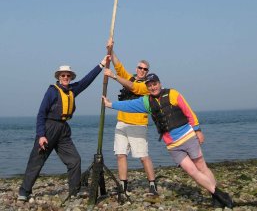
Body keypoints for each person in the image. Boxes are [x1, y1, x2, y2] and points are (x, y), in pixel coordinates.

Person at [103, 72, 234, 209]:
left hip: (188, 137)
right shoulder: (146, 102)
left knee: (201, 167)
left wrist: (198, 130)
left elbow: (189, 112)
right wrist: (110, 104)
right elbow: (129, 105)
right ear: (147, 88)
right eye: (150, 85)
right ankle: (220, 194)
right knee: (192, 172)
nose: (153, 87)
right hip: (172, 145)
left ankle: (215, 197)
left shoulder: (173, 94)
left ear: (159, 83)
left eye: (155, 84)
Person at [18, 55, 110, 202]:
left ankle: (74, 191)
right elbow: (41, 114)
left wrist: (102, 64)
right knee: (37, 160)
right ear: (59, 77)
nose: (66, 77)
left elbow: (87, 80)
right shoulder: (52, 92)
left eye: (68, 75)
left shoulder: (73, 89)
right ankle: (24, 191)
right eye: (63, 75)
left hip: (63, 130)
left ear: (71, 77)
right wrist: (41, 135)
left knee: (75, 160)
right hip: (49, 128)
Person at [106, 38, 157, 196]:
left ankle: (152, 184)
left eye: (145, 69)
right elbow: (118, 66)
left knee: (142, 156)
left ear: (147, 72)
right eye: (140, 67)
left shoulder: (146, 86)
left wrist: (114, 77)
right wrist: (111, 49)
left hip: (137, 125)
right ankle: (123, 186)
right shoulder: (129, 77)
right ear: (136, 68)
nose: (142, 70)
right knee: (120, 154)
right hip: (122, 123)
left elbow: (133, 87)